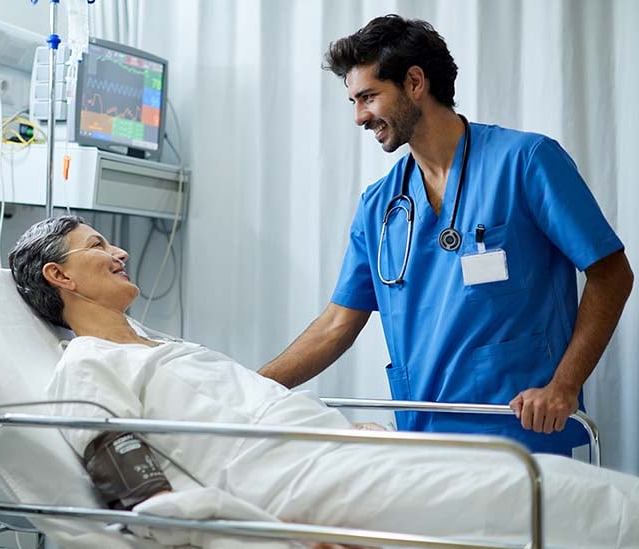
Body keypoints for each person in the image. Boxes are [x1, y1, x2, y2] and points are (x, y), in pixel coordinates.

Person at [7, 215, 639, 548]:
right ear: (61, 277)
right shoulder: (86, 363)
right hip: (300, 476)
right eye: (98, 245)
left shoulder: (165, 346)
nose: (119, 252)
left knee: (535, 486)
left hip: (338, 449)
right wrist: (260, 536)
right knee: (545, 496)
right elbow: (138, 490)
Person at [258, 14, 634, 456]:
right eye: (354, 101)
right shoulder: (379, 205)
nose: (359, 117)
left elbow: (612, 274)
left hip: (521, 438)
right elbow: (336, 325)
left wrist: (564, 386)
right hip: (424, 441)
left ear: (415, 82)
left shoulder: (526, 162)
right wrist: (249, 389)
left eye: (369, 97)